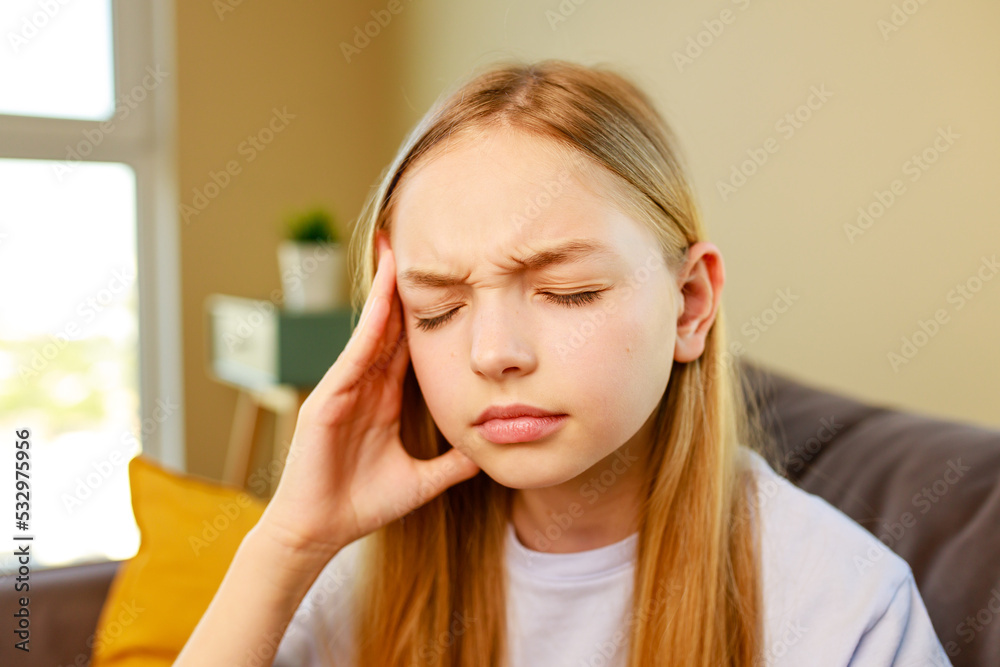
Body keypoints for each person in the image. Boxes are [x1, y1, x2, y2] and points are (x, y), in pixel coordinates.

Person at [174, 59, 953, 667]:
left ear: (689, 305)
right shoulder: (364, 579)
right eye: (438, 308)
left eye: (567, 291)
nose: (493, 353)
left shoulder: (842, 604)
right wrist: (287, 544)